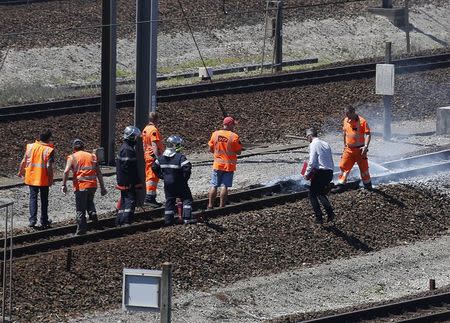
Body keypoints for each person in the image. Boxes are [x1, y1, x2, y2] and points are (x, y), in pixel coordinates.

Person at [61, 139, 107, 235]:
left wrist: (64, 185)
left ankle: (81, 230)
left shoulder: (72, 157)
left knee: (80, 209)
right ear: (83, 147)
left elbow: (66, 172)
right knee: (89, 201)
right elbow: (99, 172)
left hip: (81, 186)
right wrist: (102, 187)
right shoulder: (92, 156)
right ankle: (92, 212)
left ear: (74, 148)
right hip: (93, 185)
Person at [152, 135, 194, 225]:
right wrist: (184, 179)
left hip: (167, 183)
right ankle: (187, 218)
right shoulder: (180, 157)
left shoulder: (161, 157)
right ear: (176, 146)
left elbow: (154, 167)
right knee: (187, 199)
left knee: (170, 201)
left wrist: (162, 176)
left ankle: (168, 220)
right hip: (180, 183)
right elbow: (187, 168)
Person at [18, 129, 55, 229]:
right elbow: (48, 166)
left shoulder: (30, 146)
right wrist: (51, 179)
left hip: (32, 177)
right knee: (44, 200)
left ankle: (32, 220)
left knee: (33, 198)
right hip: (43, 179)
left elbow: (24, 160)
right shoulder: (49, 150)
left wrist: (20, 170)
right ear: (48, 139)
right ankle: (44, 220)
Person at [207, 116, 242, 209]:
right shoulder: (234, 136)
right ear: (230, 125)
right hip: (229, 165)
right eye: (233, 124)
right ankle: (222, 206)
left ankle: (210, 205)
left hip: (217, 164)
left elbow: (210, 149)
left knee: (214, 185)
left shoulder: (215, 134)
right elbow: (239, 151)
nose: (234, 126)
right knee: (224, 186)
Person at [303, 128, 335, 224]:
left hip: (321, 172)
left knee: (312, 194)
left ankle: (319, 217)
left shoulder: (313, 144)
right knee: (320, 193)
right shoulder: (325, 143)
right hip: (329, 172)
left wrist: (306, 173)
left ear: (310, 136)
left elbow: (312, 161)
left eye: (306, 137)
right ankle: (329, 214)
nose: (307, 139)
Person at [337, 106, 372, 190]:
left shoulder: (362, 121)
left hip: (360, 150)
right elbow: (345, 133)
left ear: (353, 112)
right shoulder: (346, 120)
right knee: (343, 166)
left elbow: (367, 134)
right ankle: (341, 185)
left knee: (364, 169)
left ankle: (367, 186)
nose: (346, 116)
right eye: (346, 114)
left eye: (348, 114)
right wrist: (345, 144)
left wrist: (366, 146)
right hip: (348, 150)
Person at [115, 126, 143, 226]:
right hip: (127, 182)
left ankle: (119, 220)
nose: (137, 139)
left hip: (123, 180)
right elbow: (130, 169)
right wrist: (136, 182)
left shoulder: (124, 147)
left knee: (123, 201)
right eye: (135, 137)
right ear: (131, 137)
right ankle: (126, 222)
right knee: (130, 201)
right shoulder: (128, 150)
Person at [142, 112, 164, 207]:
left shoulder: (145, 129)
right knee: (152, 177)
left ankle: (152, 197)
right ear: (156, 120)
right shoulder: (154, 130)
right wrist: (157, 158)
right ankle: (149, 198)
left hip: (147, 155)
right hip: (152, 157)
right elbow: (154, 145)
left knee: (150, 176)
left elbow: (144, 145)